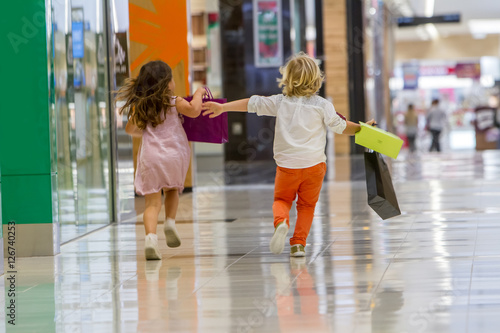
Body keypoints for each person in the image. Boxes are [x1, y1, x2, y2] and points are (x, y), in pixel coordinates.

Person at [202, 52, 375, 257]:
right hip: (314, 166)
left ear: (288, 78)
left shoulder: (280, 102)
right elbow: (341, 127)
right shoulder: (323, 105)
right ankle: (298, 245)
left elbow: (251, 103)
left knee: (282, 200)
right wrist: (363, 129)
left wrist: (222, 107)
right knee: (307, 206)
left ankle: (281, 222)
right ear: (316, 79)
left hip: (287, 167)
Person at [117, 60, 207, 260]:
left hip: (151, 157)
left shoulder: (143, 107)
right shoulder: (174, 102)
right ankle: (170, 223)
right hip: (174, 156)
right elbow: (194, 110)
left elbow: (131, 130)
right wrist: (199, 93)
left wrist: (147, 130)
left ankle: (150, 239)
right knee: (173, 189)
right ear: (167, 83)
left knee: (151, 203)